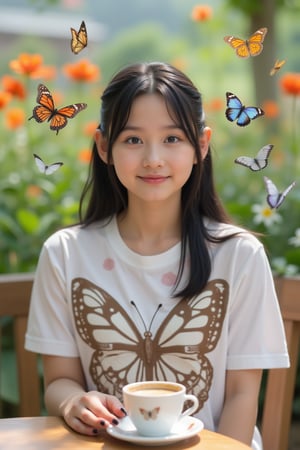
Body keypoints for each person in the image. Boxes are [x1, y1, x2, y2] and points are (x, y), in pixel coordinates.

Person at [25, 62, 289, 449]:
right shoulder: (66, 254)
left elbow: (241, 395)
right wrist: (72, 401)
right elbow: (60, 380)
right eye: (133, 140)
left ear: (201, 145)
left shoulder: (239, 256)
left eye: (172, 139)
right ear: (103, 147)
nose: (153, 158)